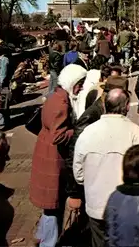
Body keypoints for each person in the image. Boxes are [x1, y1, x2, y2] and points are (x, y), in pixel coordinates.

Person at [74, 88, 139, 247]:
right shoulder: (137, 133)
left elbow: (78, 174)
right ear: (127, 107)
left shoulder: (88, 132)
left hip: (96, 207)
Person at [29, 64, 87, 247]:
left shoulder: (55, 96)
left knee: (50, 206)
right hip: (52, 159)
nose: (81, 87)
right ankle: (49, 242)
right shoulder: (61, 103)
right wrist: (75, 131)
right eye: (80, 83)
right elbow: (58, 136)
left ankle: (44, 237)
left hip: (46, 154)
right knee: (53, 206)